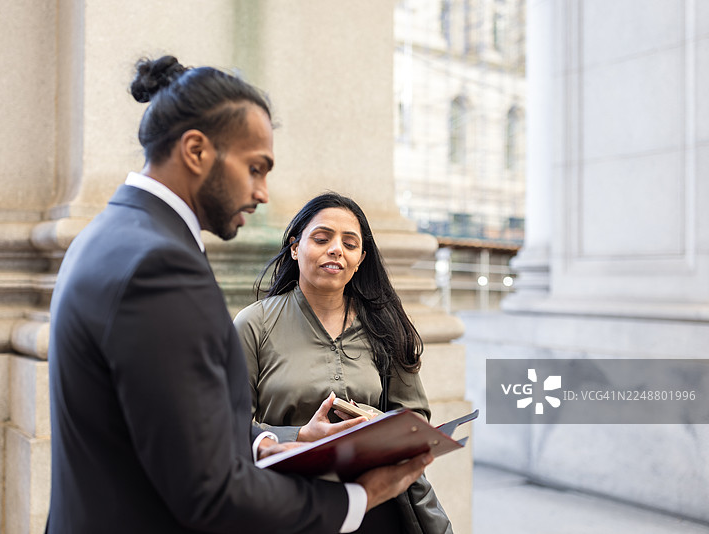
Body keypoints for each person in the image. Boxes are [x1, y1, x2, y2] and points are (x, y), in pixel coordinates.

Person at [46, 55, 433, 533]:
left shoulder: (113, 233)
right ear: (196, 151)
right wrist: (359, 498)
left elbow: (172, 426)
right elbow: (210, 492)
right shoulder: (158, 265)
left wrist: (261, 444)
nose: (264, 192)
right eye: (256, 168)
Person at [234, 192, 454, 533]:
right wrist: (301, 435)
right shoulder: (254, 324)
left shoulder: (385, 324)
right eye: (322, 238)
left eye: (350, 244)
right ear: (295, 247)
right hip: (289, 505)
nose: (336, 249)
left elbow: (416, 416)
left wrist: (376, 424)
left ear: (360, 259)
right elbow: (229, 426)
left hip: (377, 504)